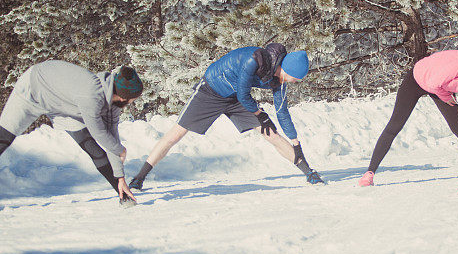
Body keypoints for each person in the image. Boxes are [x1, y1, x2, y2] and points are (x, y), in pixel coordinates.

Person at [128, 43, 323, 189]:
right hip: (211, 91)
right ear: (287, 70)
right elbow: (243, 94)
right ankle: (139, 177)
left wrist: (296, 143)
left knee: (270, 133)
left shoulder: (279, 79)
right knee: (176, 134)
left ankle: (309, 173)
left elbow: (282, 111)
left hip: (236, 97)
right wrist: (259, 114)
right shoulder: (254, 59)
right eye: (295, 79)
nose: (294, 82)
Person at [0, 60, 143, 215]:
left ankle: (123, 195)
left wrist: (120, 177)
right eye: (134, 99)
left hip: (63, 106)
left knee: (92, 148)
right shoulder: (92, 95)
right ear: (124, 97)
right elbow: (100, 133)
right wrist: (120, 150)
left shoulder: (113, 104)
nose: (134, 102)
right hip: (32, 91)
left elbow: (111, 137)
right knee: (0, 143)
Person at [358, 50, 458, 186]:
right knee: (395, 126)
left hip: (440, 89)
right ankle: (369, 173)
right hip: (418, 79)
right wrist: (445, 97)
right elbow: (433, 83)